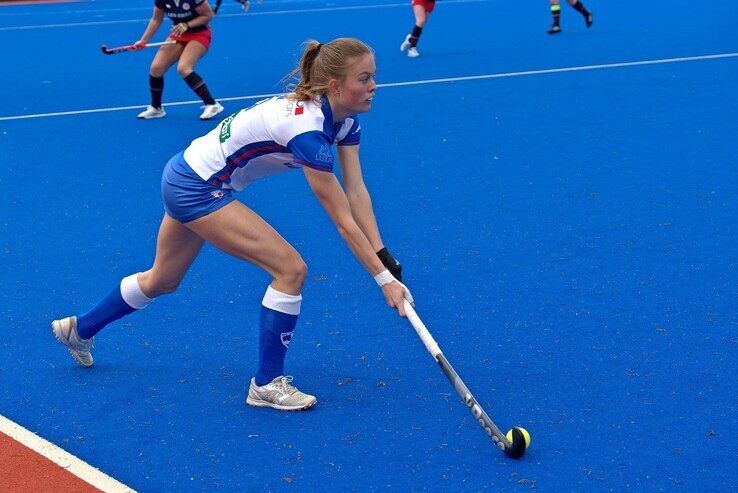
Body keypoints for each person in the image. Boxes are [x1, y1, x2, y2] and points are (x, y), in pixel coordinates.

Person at [51, 38, 411, 412]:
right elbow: (341, 219)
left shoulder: (344, 121)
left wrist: (382, 256)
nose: (373, 87)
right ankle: (267, 383)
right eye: (364, 78)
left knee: (163, 279)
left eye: (373, 77)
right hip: (199, 186)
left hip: (185, 171)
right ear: (335, 85)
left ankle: (80, 329)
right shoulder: (308, 130)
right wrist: (384, 281)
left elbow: (357, 191)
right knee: (290, 268)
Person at [134, 0, 224, 120]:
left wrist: (187, 25)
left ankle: (212, 104)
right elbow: (156, 20)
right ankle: (156, 108)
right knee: (156, 68)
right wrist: (144, 40)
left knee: (184, 68)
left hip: (199, 34)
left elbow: (208, 15)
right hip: (178, 35)